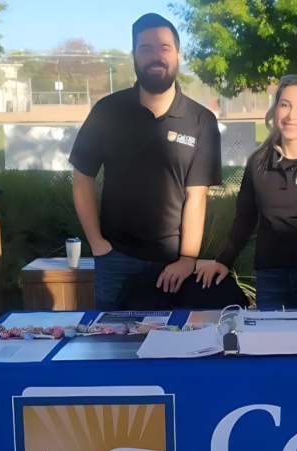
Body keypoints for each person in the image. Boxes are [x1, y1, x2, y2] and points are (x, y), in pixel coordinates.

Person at [69, 13, 222, 310]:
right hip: (117, 261)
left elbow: (197, 196)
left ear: (178, 55)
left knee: (174, 350)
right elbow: (82, 178)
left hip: (173, 266)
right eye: (146, 48)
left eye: (164, 48)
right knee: (112, 351)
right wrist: (98, 244)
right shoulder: (107, 111)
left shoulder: (201, 120)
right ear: (134, 56)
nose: (156, 56)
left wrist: (188, 259)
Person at [196, 75, 297, 310]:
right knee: (271, 343)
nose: (292, 115)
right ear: (276, 109)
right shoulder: (258, 163)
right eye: (285, 104)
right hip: (271, 278)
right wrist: (223, 260)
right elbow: (245, 220)